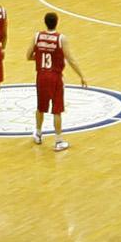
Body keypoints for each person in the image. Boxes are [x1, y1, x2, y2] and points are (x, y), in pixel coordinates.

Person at [27, 11, 85, 152]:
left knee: (40, 107)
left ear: (45, 22)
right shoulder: (61, 39)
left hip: (41, 76)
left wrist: (40, 57)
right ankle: (58, 141)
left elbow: (28, 56)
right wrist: (81, 76)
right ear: (57, 22)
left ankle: (38, 134)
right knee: (57, 110)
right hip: (55, 76)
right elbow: (70, 59)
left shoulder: (37, 36)